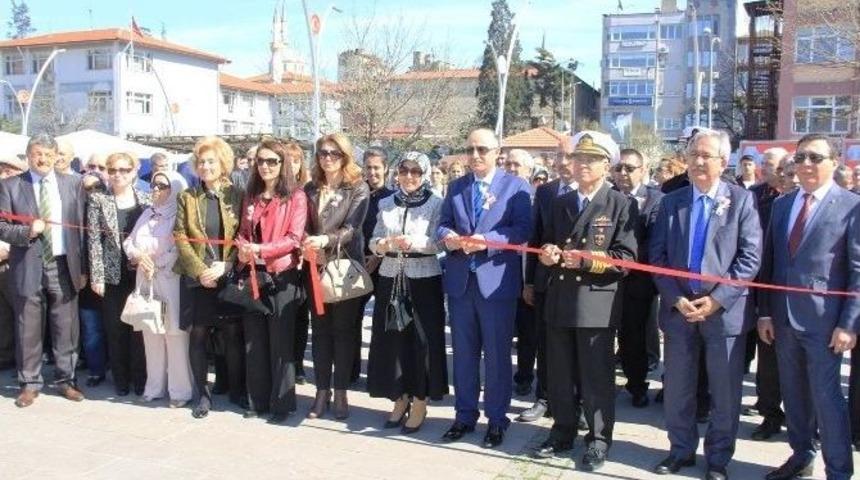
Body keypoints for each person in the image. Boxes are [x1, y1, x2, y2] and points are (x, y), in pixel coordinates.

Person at [649, 128, 761, 480]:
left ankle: (718, 459)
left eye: (706, 155)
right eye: (693, 153)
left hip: (723, 315)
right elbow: (657, 257)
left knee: (724, 394)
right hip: (680, 312)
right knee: (678, 388)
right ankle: (680, 450)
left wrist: (716, 301)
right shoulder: (671, 202)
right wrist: (676, 298)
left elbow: (749, 258)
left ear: (723, 162)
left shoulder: (741, 201)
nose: (698, 161)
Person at [533, 131, 637, 471]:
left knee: (595, 378)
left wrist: (589, 260)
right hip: (561, 300)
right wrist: (548, 255)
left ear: (606, 165)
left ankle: (598, 439)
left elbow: (626, 258)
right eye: (578, 159)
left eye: (590, 160)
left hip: (596, 303)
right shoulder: (562, 201)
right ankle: (562, 430)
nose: (581, 165)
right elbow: (548, 242)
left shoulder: (620, 203)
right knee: (560, 374)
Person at [758, 134, 859, 480]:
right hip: (784, 319)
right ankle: (802, 456)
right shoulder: (782, 205)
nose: (806, 164)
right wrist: (766, 312)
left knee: (827, 399)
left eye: (815, 157)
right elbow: (770, 262)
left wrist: (849, 324)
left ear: (834, 162)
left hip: (825, 324)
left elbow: (858, 272)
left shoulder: (851, 206)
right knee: (794, 395)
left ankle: (839, 471)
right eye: (800, 157)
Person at [436, 128, 532, 449]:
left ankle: (496, 419)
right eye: (470, 149)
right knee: (463, 355)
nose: (475, 155)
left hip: (495, 283)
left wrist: (487, 242)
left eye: (482, 149)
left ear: (497, 152)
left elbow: (522, 230)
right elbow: (442, 222)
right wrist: (448, 236)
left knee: (496, 356)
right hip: (461, 283)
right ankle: (464, 416)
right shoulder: (457, 186)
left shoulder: (516, 187)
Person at [0, 133, 87, 407]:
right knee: (28, 326)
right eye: (38, 153)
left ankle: (66, 380)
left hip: (63, 264)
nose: (43, 159)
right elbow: (2, 226)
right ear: (28, 155)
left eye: (49, 154)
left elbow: (82, 229)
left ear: (56, 156)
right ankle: (29, 383)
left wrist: (83, 268)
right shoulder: (12, 186)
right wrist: (28, 231)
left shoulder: (73, 183)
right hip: (27, 263)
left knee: (66, 325)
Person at [367, 152, 448, 434]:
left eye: (415, 171)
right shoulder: (386, 202)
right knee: (394, 340)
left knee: (421, 341)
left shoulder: (437, 202)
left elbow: (441, 242)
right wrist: (383, 243)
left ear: (424, 173)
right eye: (404, 171)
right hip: (391, 276)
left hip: (423, 278)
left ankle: (420, 400)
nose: (409, 177)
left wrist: (415, 242)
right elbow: (373, 239)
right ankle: (399, 397)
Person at [234, 139, 307, 422]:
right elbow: (243, 230)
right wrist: (243, 247)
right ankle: (257, 400)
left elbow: (293, 238)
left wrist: (261, 250)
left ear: (282, 164)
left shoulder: (295, 196)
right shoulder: (251, 194)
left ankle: (281, 404)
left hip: (282, 275)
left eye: (272, 162)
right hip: (253, 273)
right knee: (254, 340)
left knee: (280, 342)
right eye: (261, 161)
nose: (265, 166)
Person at [174, 136, 246, 419]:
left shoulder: (236, 195)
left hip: (227, 276)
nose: (204, 166)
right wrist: (200, 270)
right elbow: (180, 236)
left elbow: (244, 234)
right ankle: (201, 395)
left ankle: (236, 391)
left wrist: (226, 265)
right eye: (201, 162)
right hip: (197, 278)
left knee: (232, 334)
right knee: (199, 336)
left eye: (210, 161)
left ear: (223, 164)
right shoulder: (188, 197)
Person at [303, 133, 370, 420]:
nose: (328, 157)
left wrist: (324, 241)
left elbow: (352, 228)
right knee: (319, 333)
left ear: (345, 156)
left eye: (334, 153)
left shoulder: (357, 187)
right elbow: (299, 223)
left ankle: (340, 390)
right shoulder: (309, 188)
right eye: (323, 152)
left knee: (343, 333)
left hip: (343, 269)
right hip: (313, 267)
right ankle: (321, 391)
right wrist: (307, 241)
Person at [518, 137, 578, 424]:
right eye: (559, 156)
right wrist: (529, 282)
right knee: (545, 342)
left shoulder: (601, 194)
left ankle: (576, 402)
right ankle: (543, 397)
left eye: (569, 156)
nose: (563, 162)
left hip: (580, 285)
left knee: (576, 347)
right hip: (546, 282)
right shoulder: (545, 193)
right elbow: (536, 238)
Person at [122, 171, 192, 407]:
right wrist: (139, 257)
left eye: (162, 186)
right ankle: (154, 387)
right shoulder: (146, 214)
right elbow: (129, 241)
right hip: (146, 279)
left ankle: (180, 391)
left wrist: (158, 263)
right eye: (153, 185)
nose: (155, 190)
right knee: (150, 333)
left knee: (174, 335)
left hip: (169, 280)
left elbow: (180, 249)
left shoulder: (179, 216)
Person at [87, 152, 151, 397]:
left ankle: (140, 380)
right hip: (112, 276)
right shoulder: (98, 200)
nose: (118, 175)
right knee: (115, 330)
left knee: (138, 330)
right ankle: (121, 380)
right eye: (113, 170)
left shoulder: (145, 199)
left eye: (124, 170)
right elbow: (93, 240)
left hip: (139, 275)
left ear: (134, 171)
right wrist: (97, 276)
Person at [612, 148, 663, 408]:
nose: (622, 173)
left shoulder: (656, 200)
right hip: (604, 279)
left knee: (634, 338)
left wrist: (626, 261)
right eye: (618, 168)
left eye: (629, 168)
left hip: (638, 282)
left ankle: (637, 385)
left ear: (643, 170)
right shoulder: (607, 196)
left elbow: (655, 242)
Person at [748, 147, 788, 442]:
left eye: (769, 164)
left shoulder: (796, 198)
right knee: (768, 359)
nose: (763, 168)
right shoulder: (756, 196)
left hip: (798, 294)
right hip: (762, 285)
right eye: (762, 163)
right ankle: (769, 413)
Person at [356, 147, 394, 384]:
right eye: (368, 167)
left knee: (381, 322)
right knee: (352, 320)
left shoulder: (392, 198)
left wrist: (378, 256)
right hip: (356, 264)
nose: (372, 172)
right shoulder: (357, 195)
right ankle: (349, 371)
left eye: (376, 167)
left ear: (386, 169)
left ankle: (377, 374)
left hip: (383, 264)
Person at [0, 155, 28, 371]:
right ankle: (5, 355)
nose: (3, 175)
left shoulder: (26, 195)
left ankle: (23, 361)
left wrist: (6, 250)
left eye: (9, 171)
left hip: (15, 262)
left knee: (22, 315)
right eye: (2, 171)